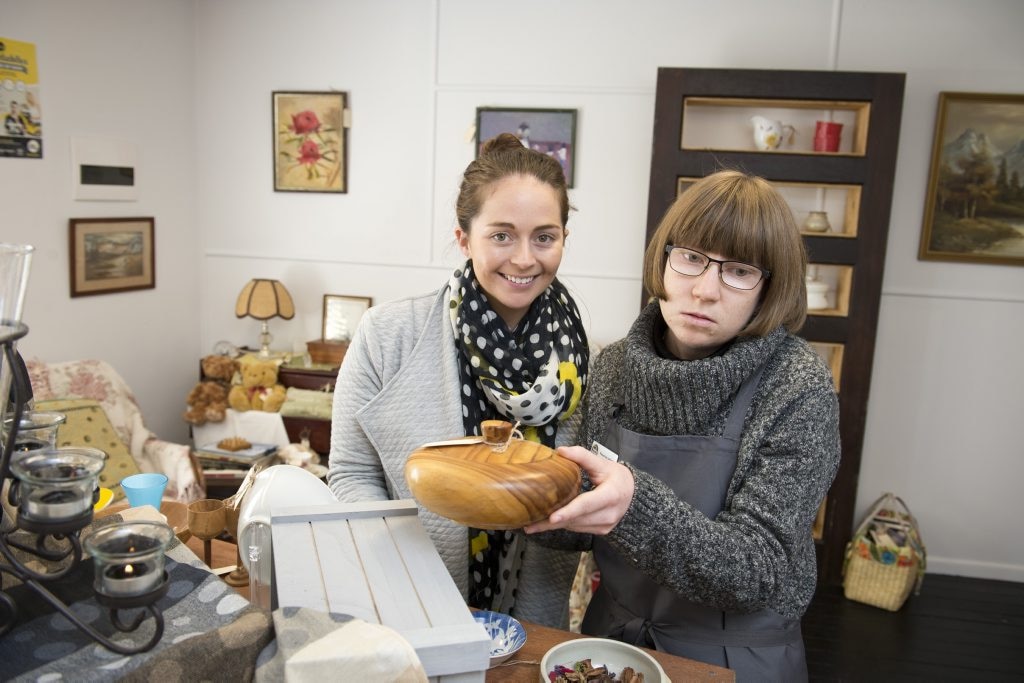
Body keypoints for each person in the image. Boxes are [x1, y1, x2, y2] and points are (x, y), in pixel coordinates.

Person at [525, 170, 841, 679]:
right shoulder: (616, 366)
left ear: (770, 288)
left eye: (738, 271)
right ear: (664, 258)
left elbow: (755, 571)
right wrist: (530, 498)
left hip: (735, 658)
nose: (704, 290)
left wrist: (632, 505)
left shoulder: (797, 387)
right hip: (614, 645)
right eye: (691, 258)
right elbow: (585, 529)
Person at [328, 132, 589, 628]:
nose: (525, 258)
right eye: (501, 235)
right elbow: (350, 473)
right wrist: (407, 578)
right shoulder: (388, 335)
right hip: (408, 600)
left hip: (534, 614)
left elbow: (581, 495)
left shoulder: (581, 363)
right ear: (464, 238)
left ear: (562, 240)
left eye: (544, 237)